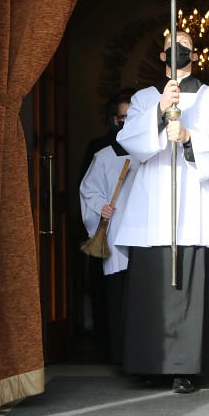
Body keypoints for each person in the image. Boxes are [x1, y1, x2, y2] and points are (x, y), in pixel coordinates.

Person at [115, 30, 209, 393]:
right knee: (151, 287)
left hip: (195, 201)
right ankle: (149, 363)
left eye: (185, 46)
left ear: (195, 55)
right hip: (153, 203)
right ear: (162, 55)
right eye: (172, 46)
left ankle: (186, 367)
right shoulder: (144, 97)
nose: (179, 50)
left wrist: (188, 138)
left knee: (189, 288)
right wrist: (159, 110)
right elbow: (129, 141)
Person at [79, 98, 140, 364]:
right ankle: (122, 357)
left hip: (145, 234)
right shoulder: (103, 157)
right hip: (115, 232)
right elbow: (88, 191)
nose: (129, 122)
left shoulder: (150, 155)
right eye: (124, 117)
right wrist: (99, 207)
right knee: (118, 298)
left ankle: (144, 357)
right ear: (116, 120)